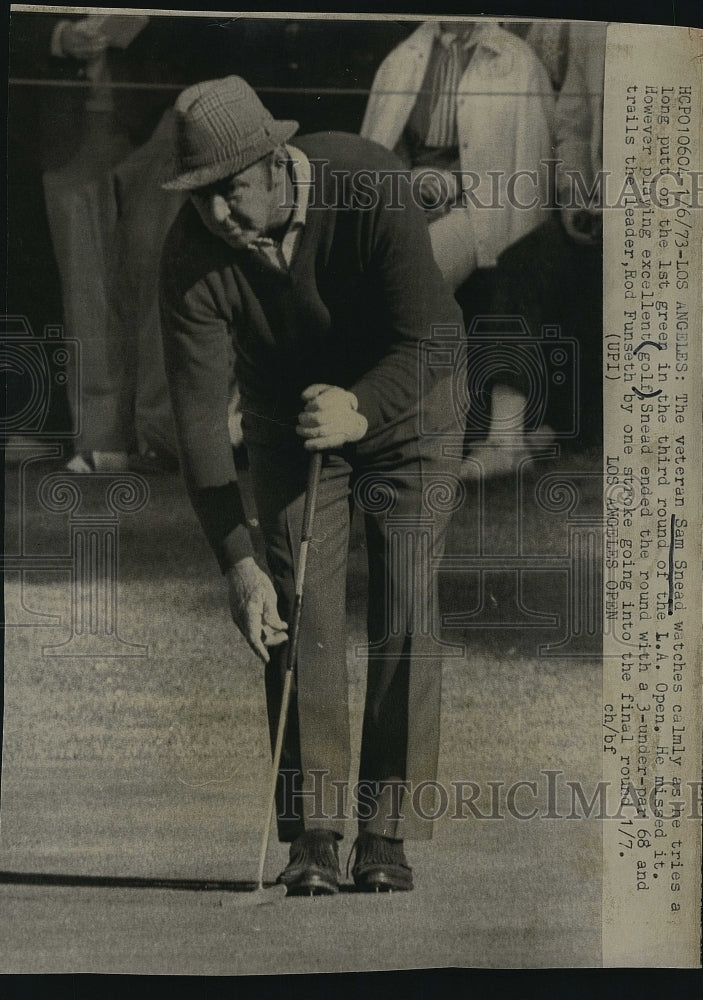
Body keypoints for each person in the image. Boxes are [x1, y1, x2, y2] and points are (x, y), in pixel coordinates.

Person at [159, 76, 465, 895]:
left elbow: (434, 338)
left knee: (403, 599)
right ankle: (316, 835)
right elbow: (194, 422)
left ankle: (385, 832)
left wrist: (362, 408)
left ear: (272, 163)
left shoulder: (367, 184)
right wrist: (235, 561)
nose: (216, 214)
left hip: (407, 406)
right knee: (297, 609)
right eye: (198, 197)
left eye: (229, 191)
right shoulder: (191, 255)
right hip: (288, 414)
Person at [361, 19, 555, 477]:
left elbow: (525, 161)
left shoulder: (514, 60)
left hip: (481, 208)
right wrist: (409, 183)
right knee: (362, 272)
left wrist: (457, 183)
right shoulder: (406, 56)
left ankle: (392, 427)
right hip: (408, 202)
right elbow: (382, 147)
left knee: (405, 282)